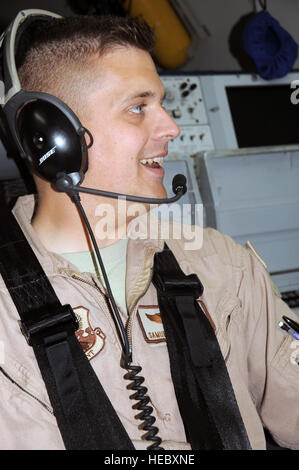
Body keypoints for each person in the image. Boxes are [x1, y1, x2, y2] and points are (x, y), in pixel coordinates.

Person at [0, 12, 298, 451]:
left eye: (161, 103)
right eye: (138, 108)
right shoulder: (7, 315)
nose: (170, 127)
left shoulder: (222, 265)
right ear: (50, 136)